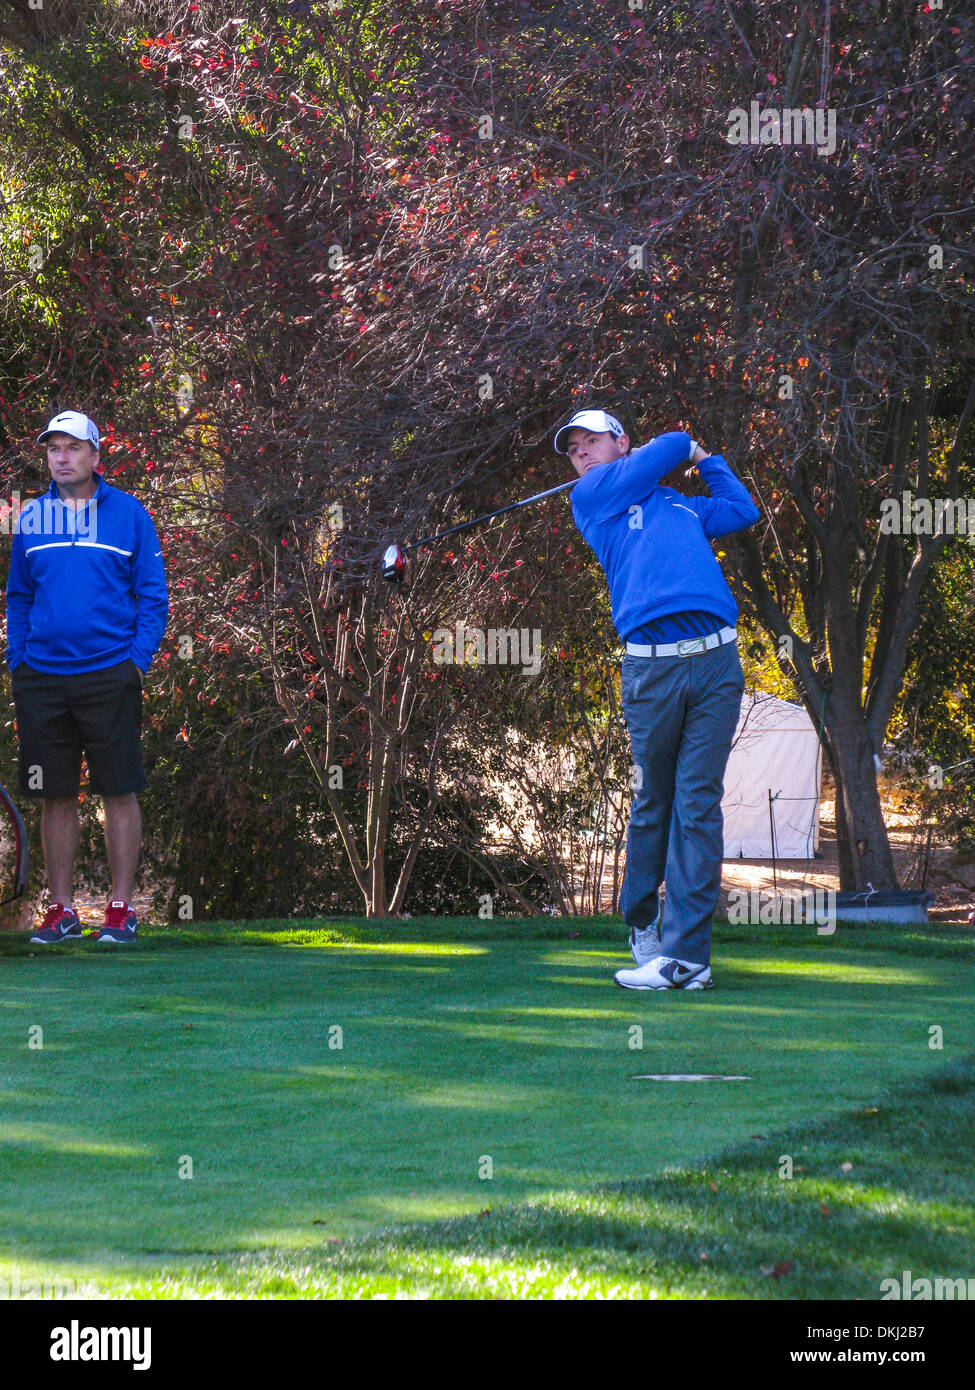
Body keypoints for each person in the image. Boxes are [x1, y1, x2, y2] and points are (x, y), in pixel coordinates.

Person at [554, 408, 760, 990]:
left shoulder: (681, 506)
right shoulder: (593, 498)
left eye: (592, 441)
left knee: (697, 805)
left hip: (717, 661)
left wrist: (704, 461)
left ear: (621, 442)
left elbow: (744, 509)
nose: (582, 453)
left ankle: (686, 958)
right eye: (574, 449)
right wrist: (683, 446)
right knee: (653, 802)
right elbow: (670, 441)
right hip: (651, 671)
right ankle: (643, 925)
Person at [5, 410, 168, 944]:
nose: (62, 457)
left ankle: (120, 909)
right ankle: (63, 910)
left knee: (118, 789)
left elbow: (152, 596)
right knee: (55, 794)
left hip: (109, 676)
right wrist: (19, 661)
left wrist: (135, 662)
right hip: (43, 679)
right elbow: (21, 596)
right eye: (53, 448)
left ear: (96, 456)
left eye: (73, 448)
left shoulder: (130, 516)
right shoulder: (32, 520)